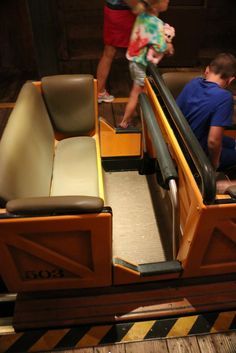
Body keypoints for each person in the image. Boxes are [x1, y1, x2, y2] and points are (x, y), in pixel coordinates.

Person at [176, 53, 236, 171]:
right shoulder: (224, 98)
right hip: (197, 154)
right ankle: (223, 184)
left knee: (232, 142)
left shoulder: (194, 83)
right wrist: (214, 164)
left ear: (207, 70)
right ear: (230, 80)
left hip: (181, 143)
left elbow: (208, 97)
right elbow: (213, 141)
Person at [119, 0, 173, 128]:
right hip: (140, 62)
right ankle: (124, 122)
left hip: (134, 59)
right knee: (136, 92)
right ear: (155, 5)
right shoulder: (156, 23)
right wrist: (169, 44)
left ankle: (145, 117)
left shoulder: (142, 16)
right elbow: (161, 47)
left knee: (143, 89)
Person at [97, 0, 138, 103]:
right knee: (137, 52)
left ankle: (99, 91)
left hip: (114, 11)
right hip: (124, 13)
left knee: (108, 53)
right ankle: (141, 91)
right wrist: (145, 9)